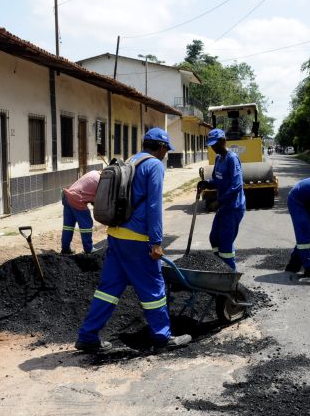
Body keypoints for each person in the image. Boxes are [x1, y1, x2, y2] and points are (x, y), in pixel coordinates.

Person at [75, 128, 192, 353]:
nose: (166, 154)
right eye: (166, 150)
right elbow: (154, 205)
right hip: (137, 239)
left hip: (116, 235)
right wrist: (156, 242)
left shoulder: (132, 160)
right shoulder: (154, 165)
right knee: (153, 288)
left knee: (108, 289)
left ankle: (87, 336)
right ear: (160, 147)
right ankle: (162, 337)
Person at [197, 128, 246, 271]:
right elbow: (217, 180)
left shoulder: (232, 158)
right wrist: (206, 183)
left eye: (215, 144)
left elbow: (236, 186)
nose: (213, 148)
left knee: (225, 244)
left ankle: (230, 276)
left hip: (233, 207)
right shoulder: (218, 159)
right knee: (214, 238)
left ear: (224, 141)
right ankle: (219, 268)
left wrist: (219, 201)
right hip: (224, 207)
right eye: (211, 145)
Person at [61, 168, 101, 254]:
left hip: (67, 196)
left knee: (68, 226)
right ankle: (88, 249)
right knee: (86, 225)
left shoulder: (93, 172)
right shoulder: (101, 182)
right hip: (77, 199)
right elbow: (97, 200)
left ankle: (65, 248)